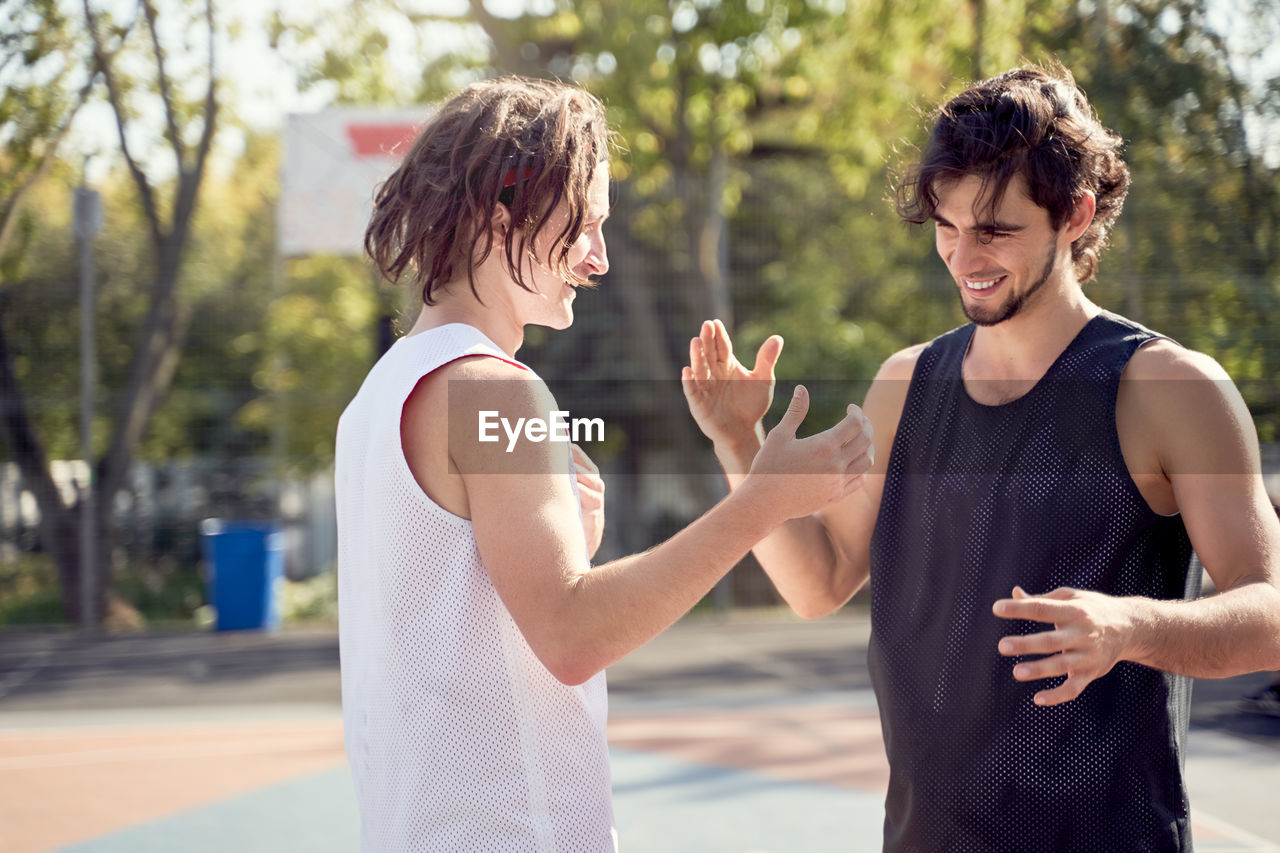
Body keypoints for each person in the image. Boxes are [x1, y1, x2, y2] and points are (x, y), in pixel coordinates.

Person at [682, 65, 1280, 851]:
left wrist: (1128, 626)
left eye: (995, 229)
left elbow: (1270, 612)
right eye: (947, 226)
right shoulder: (906, 384)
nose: (965, 255)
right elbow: (819, 579)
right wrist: (739, 442)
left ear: (1074, 214)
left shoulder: (1168, 387)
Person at [334, 76, 873, 852]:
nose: (599, 259)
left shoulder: (377, 399)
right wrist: (765, 499)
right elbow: (571, 633)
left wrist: (558, 540)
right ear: (499, 220)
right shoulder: (495, 395)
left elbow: (456, 614)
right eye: (585, 225)